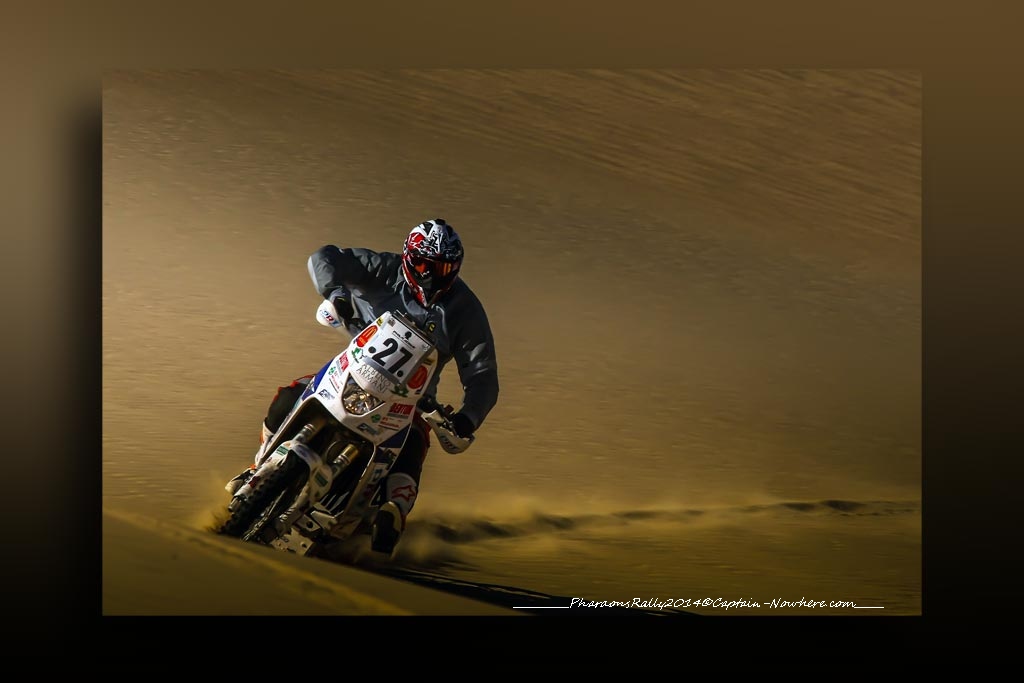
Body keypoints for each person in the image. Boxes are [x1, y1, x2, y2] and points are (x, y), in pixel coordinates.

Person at [226, 219, 499, 556]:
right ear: (408, 257)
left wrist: (467, 418)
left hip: (411, 399)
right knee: (290, 394)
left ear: (454, 268)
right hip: (352, 373)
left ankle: (393, 513)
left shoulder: (465, 310)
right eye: (423, 265)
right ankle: (258, 468)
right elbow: (324, 257)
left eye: (441, 268)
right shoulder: (383, 268)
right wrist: (336, 293)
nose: (431, 276)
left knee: (414, 443)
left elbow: (483, 374)